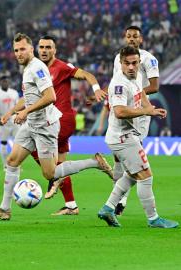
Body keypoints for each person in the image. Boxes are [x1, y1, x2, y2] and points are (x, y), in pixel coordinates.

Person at [0, 33, 113, 221]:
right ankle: (4, 209)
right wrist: (11, 112)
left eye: (22, 49)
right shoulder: (28, 69)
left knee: (50, 172)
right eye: (16, 50)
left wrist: (25, 112)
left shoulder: (37, 68)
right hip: (31, 124)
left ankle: (94, 163)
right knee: (11, 161)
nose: (18, 53)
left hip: (45, 126)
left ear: (31, 49)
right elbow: (28, 97)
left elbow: (51, 97)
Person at [97, 46, 178, 229]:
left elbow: (140, 93)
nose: (131, 67)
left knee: (132, 175)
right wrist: (144, 111)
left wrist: (150, 109)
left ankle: (108, 208)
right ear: (121, 63)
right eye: (127, 63)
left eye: (134, 63)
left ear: (139, 62)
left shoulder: (137, 76)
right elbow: (118, 111)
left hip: (127, 135)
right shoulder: (119, 84)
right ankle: (153, 219)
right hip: (122, 137)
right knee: (146, 176)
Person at [31, 35, 107, 215]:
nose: (44, 50)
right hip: (50, 121)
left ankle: (57, 177)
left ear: (54, 50)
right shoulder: (36, 70)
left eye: (48, 47)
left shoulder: (62, 67)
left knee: (32, 144)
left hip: (60, 120)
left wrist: (96, 90)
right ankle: (71, 205)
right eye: (41, 47)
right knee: (61, 165)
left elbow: (87, 75)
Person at [110, 25, 160, 215]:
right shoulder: (119, 58)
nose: (131, 39)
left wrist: (136, 95)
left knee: (132, 161)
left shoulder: (148, 59)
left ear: (141, 39)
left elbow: (154, 86)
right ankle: (119, 201)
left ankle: (117, 201)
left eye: (135, 36)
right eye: (128, 36)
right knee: (119, 157)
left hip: (139, 114)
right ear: (125, 38)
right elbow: (118, 84)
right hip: (122, 108)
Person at [0, 75, 20, 168]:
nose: (5, 83)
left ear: (9, 82)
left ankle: (16, 163)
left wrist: (19, 116)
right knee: (3, 143)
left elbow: (18, 106)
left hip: (14, 120)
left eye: (6, 81)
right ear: (0, 82)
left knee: (18, 142)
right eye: (3, 81)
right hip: (3, 121)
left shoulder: (14, 93)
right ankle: (5, 165)